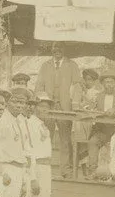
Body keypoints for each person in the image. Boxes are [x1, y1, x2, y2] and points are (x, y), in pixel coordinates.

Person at [35, 42, 82, 176]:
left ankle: (65, 170)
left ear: (64, 49)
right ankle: (43, 168)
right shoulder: (45, 65)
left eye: (60, 47)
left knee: (65, 140)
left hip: (65, 107)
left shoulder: (72, 65)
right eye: (54, 47)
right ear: (51, 49)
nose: (57, 50)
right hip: (48, 106)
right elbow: (39, 86)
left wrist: (75, 104)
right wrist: (41, 101)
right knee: (44, 137)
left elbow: (77, 85)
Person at [21, 93, 55, 197]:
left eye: (47, 107)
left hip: (46, 167)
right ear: (34, 107)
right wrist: (32, 177)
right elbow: (30, 153)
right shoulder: (30, 124)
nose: (44, 109)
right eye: (41, 106)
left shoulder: (43, 125)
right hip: (36, 168)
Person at [8, 87, 39, 197]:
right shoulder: (6, 120)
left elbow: (27, 151)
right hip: (12, 169)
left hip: (23, 169)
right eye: (16, 102)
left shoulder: (21, 121)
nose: (20, 106)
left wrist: (30, 176)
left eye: (23, 103)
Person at [86, 66, 115, 177]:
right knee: (92, 142)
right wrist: (94, 111)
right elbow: (90, 110)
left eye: (111, 82)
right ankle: (93, 171)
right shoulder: (97, 96)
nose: (109, 84)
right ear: (103, 84)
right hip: (101, 131)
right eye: (106, 82)